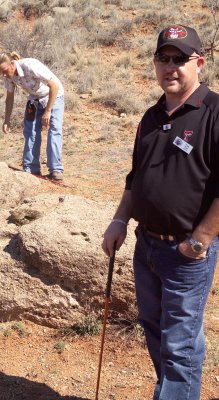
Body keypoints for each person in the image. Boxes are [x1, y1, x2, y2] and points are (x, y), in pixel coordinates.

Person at [102, 24, 219, 400]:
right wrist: (120, 219)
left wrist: (200, 240)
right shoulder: (151, 117)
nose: (171, 67)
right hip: (146, 247)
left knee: (179, 345)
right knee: (157, 332)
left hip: (187, 253)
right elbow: (136, 178)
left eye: (179, 60)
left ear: (199, 63)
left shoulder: (214, 112)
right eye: (163, 59)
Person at [0, 52, 64, 180]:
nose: (3, 74)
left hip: (53, 96)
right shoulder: (8, 75)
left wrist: (48, 110)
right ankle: (31, 169)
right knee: (30, 131)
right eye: (0, 72)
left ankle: (55, 170)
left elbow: (54, 85)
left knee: (54, 130)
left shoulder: (30, 65)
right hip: (35, 99)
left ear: (12, 63)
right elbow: (10, 98)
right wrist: (6, 120)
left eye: (4, 70)